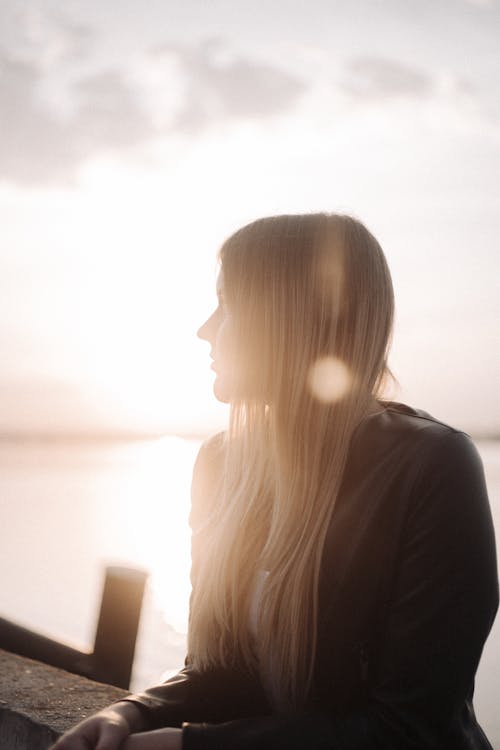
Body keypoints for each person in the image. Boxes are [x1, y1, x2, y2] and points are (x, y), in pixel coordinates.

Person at [51, 213, 498, 750]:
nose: (205, 329)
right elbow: (221, 674)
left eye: (227, 305)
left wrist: (187, 747)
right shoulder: (221, 464)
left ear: (287, 320)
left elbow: (410, 730)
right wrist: (132, 713)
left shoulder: (432, 466)